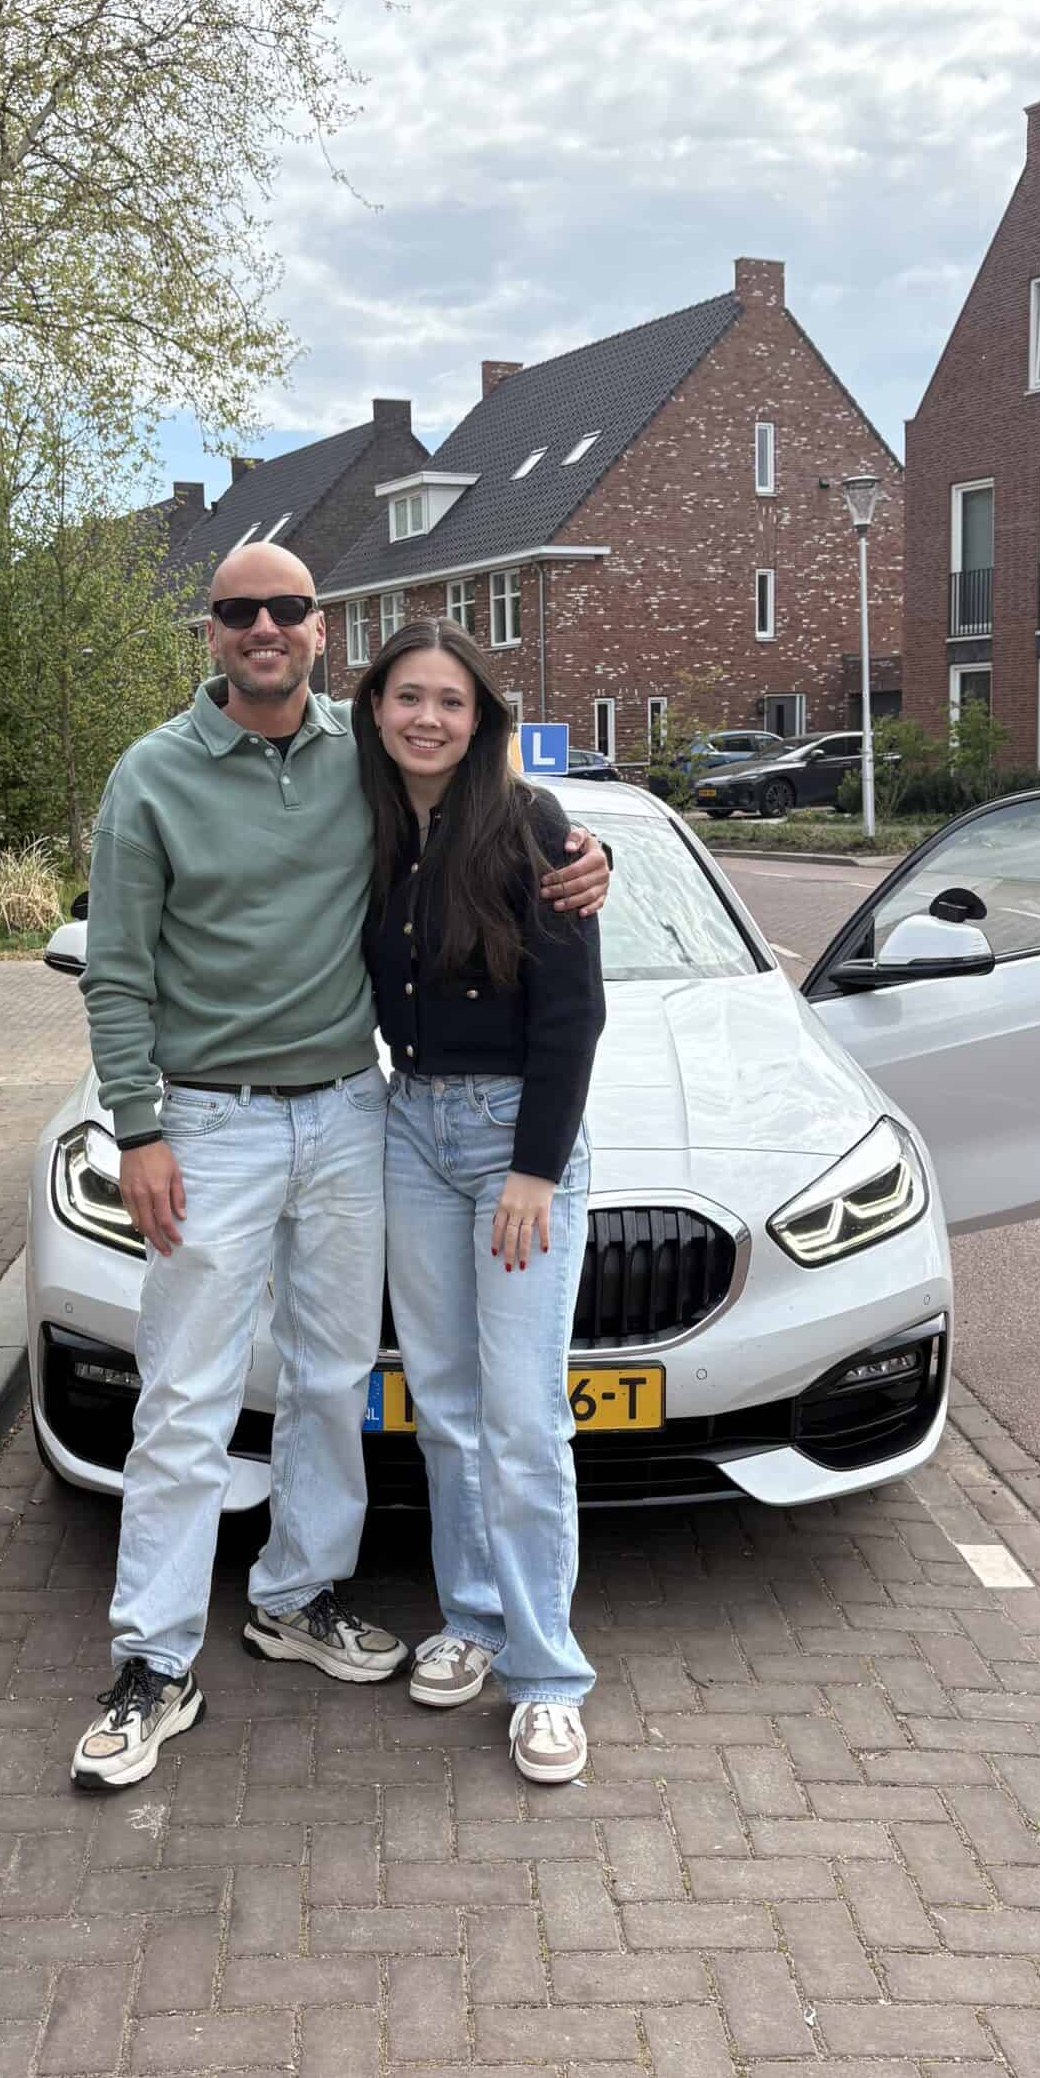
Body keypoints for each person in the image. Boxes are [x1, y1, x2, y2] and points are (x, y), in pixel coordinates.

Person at [70, 543, 609, 1789]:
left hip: (358, 1114)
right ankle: (154, 1659)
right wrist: (138, 1125)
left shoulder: (357, 758)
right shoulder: (156, 774)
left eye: (288, 609)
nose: (264, 627)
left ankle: (298, 1595)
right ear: (210, 631)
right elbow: (116, 968)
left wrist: (588, 854)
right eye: (238, 610)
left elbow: (501, 830)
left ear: (321, 632)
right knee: (188, 1395)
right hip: (214, 1126)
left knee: (334, 1379)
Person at [354, 620, 606, 1784]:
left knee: (521, 1413)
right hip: (411, 1128)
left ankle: (548, 1675)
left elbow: (574, 1012)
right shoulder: (363, 825)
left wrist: (535, 1169)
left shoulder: (534, 827)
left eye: (451, 701)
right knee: (446, 1404)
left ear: (482, 717)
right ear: (375, 708)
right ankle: (470, 1620)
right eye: (409, 696)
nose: (429, 718)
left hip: (515, 1142)